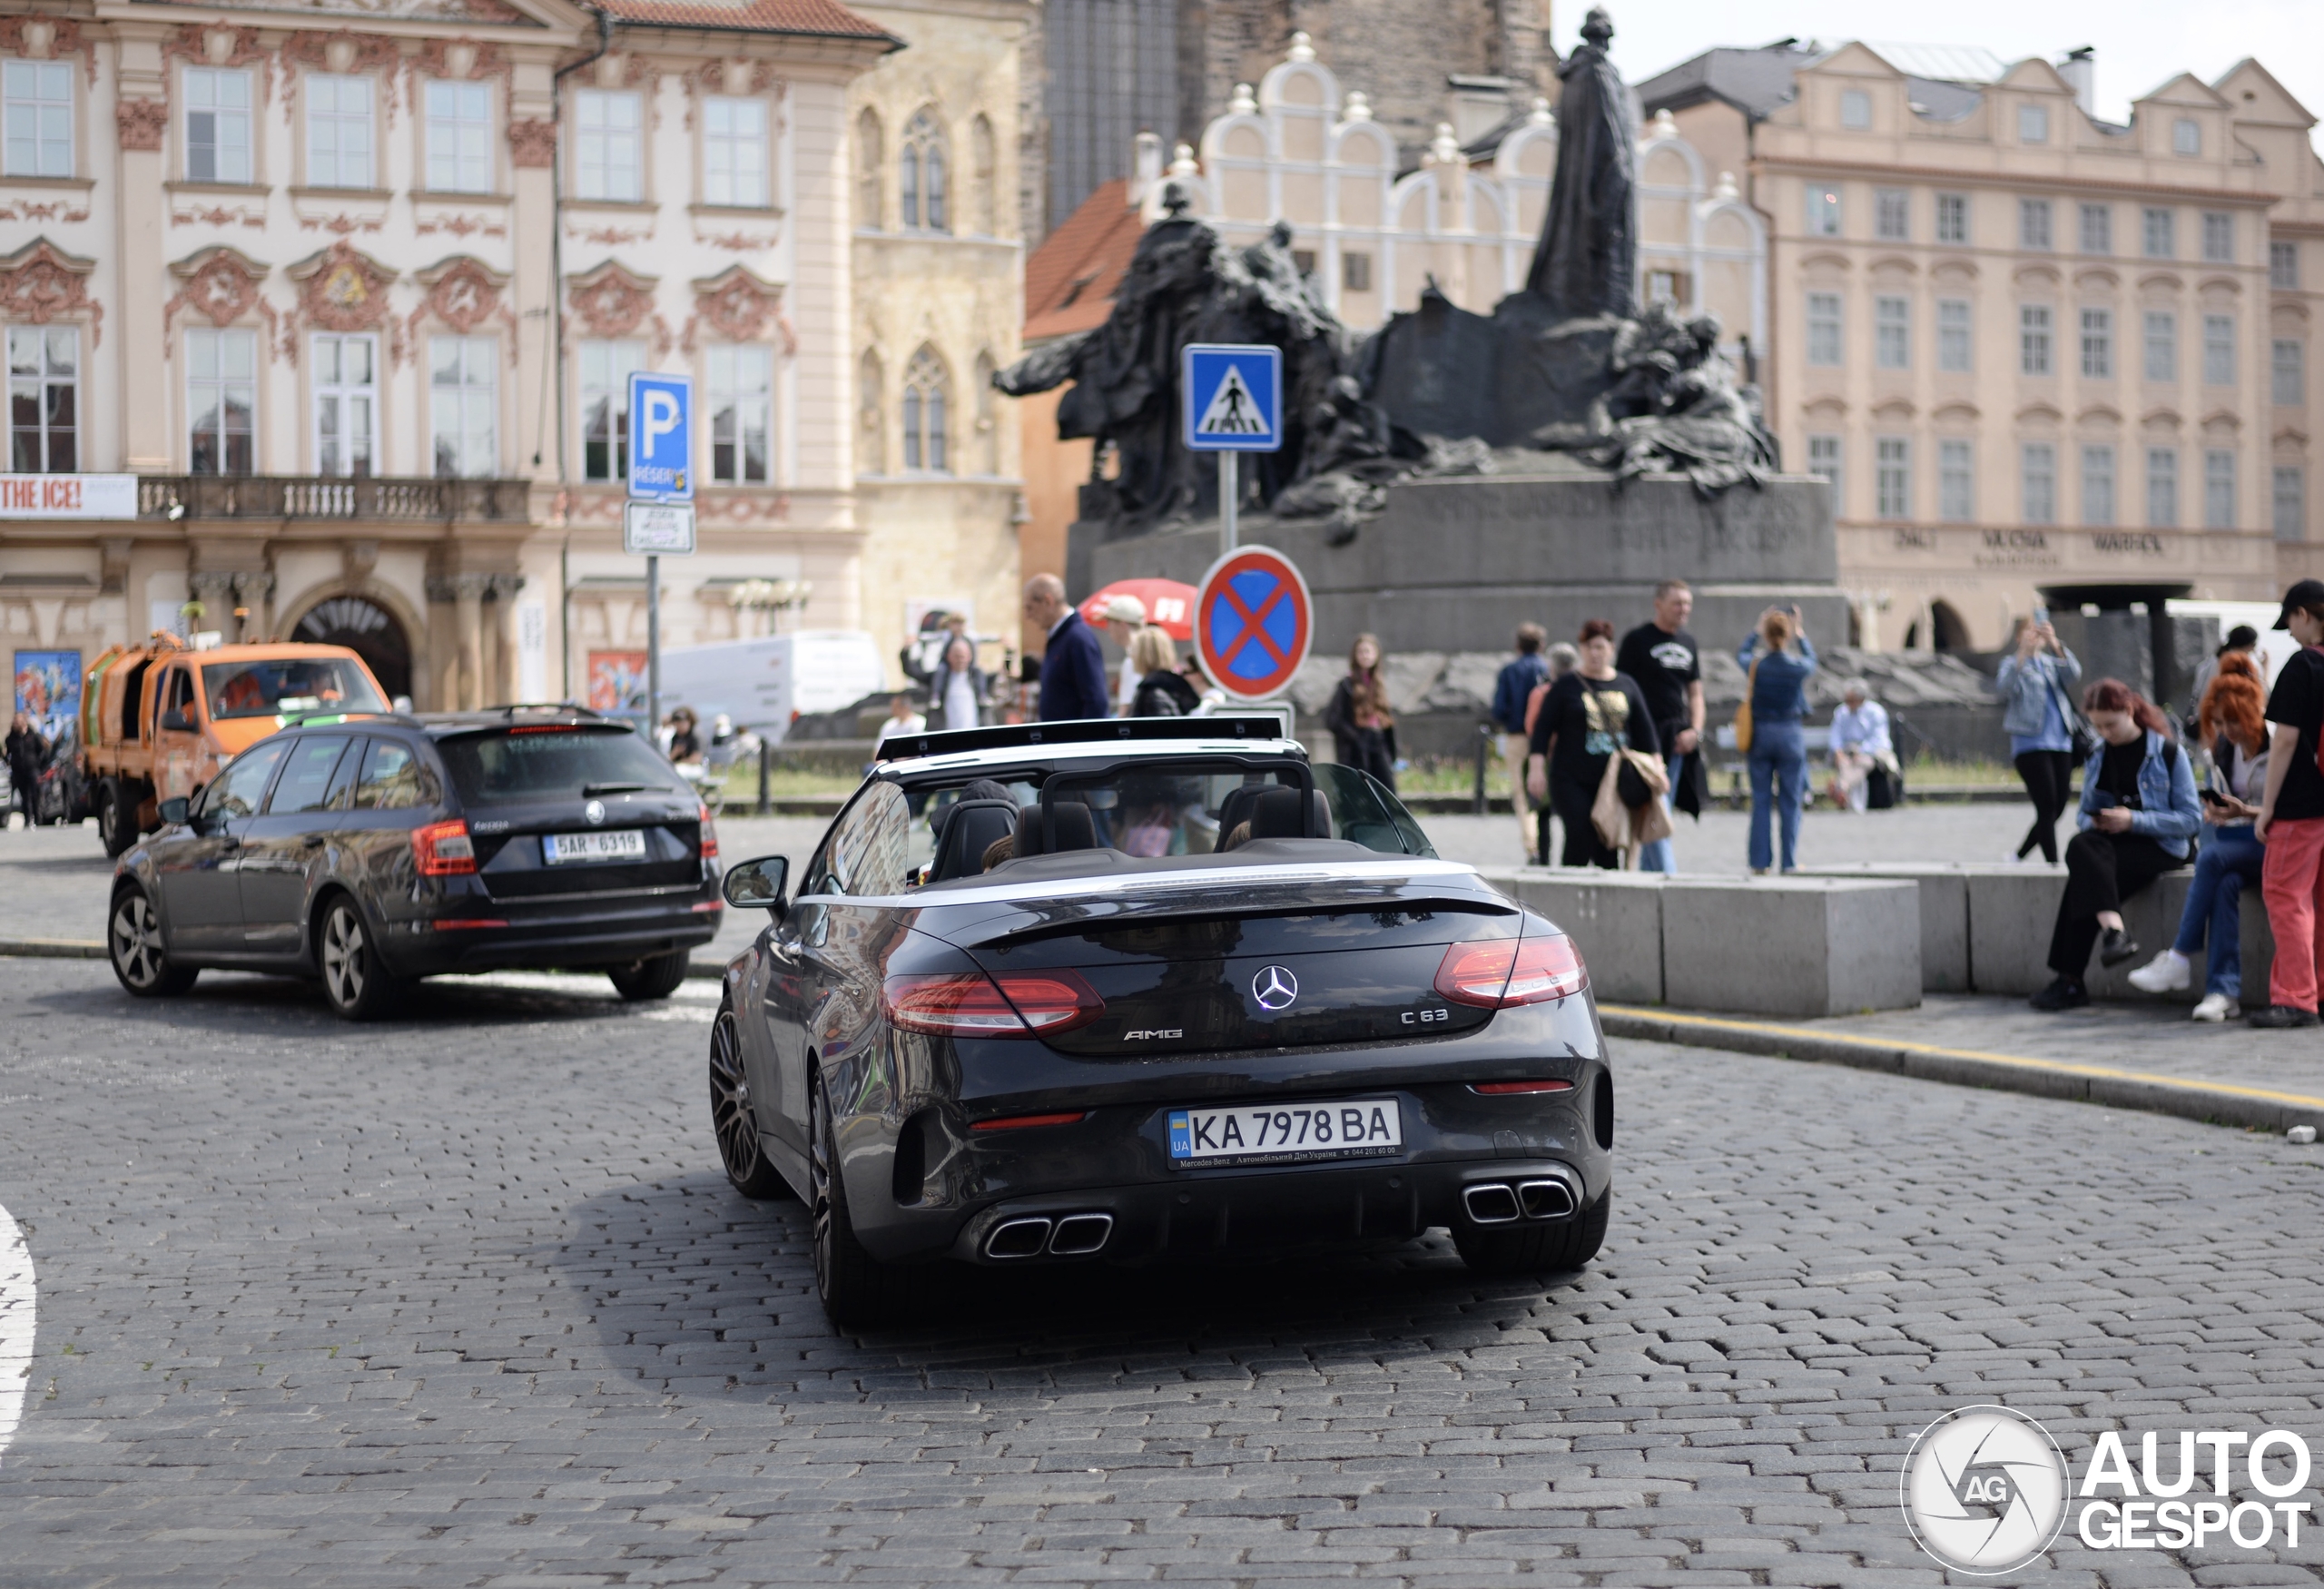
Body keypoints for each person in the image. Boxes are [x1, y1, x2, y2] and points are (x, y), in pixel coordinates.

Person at [2029, 679, 2201, 1011]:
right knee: (2083, 848)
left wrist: (2133, 820)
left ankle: (2070, 982)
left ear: (2129, 710)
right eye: (2097, 726)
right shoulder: (2097, 753)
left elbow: (2190, 819)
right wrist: (2100, 822)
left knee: (2083, 868)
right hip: (2114, 846)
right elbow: (2082, 816)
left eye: (2110, 724)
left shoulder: (2168, 752)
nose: (2104, 732)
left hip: (2163, 847)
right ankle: (2113, 933)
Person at [2129, 654, 2269, 1020]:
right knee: (2224, 885)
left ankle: (2179, 956)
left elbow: (2297, 806)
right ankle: (2223, 992)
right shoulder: (2224, 748)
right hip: (2241, 844)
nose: (2227, 729)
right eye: (2219, 722)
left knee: (2210, 859)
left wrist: (2247, 811)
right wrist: (2220, 811)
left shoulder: (2279, 742)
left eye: (2234, 720)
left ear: (2254, 711)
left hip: (2280, 842)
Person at [1526, 619, 1660, 869]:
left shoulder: (1626, 684)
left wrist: (1657, 767)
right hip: (1570, 777)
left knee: (1607, 844)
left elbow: (1645, 730)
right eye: (1588, 647)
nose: (1595, 653)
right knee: (1579, 831)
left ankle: (1607, 900)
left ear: (1611, 648)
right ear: (1581, 649)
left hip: (1612, 780)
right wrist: (1536, 769)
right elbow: (1542, 730)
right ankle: (1568, 891)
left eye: (1600, 647)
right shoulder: (1566, 686)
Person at [2251, 579, 2324, 1028]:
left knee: (2286, 896)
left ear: (2303, 613)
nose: (2292, 635)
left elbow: (2285, 742)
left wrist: (2266, 806)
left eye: (2291, 624)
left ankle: (2297, 998)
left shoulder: (2302, 667)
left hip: (2300, 806)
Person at [1616, 581, 1704, 873]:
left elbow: (1695, 693)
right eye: (1677, 603)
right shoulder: (1637, 640)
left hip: (1676, 738)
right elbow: (1621, 690)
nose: (1684, 609)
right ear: (1659, 604)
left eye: (1688, 603)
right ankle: (1669, 878)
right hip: (1643, 738)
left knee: (1659, 810)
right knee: (1655, 811)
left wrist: (1696, 730)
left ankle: (1650, 878)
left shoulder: (1689, 642)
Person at [1736, 606, 1817, 873]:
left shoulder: (1757, 666)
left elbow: (1741, 655)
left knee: (1760, 801)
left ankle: (1759, 862)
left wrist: (1755, 632)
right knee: (1790, 801)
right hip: (1790, 734)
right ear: (1787, 635)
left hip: (1760, 734)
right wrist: (1801, 634)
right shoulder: (1796, 667)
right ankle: (1789, 861)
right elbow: (1812, 660)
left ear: (1768, 635)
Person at [1996, 614, 2083, 863]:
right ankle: (2053, 863)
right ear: (2018, 636)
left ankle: (2019, 854)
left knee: (2058, 807)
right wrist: (2022, 654)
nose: (2035, 635)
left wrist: (2055, 643)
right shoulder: (2012, 664)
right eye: (2029, 631)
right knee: (2046, 805)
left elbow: (2074, 674)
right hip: (2030, 744)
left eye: (2039, 631)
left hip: (2062, 742)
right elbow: (2004, 688)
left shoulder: (2051, 663)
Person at [1491, 624, 1551, 864]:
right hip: (1541, 738)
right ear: (1541, 645)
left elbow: (1498, 709)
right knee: (1541, 790)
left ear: (1517, 645)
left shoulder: (1508, 670)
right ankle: (1544, 844)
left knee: (1521, 793)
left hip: (1516, 736)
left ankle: (1532, 847)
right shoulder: (1546, 668)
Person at [1023, 574, 1108, 722]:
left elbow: (1096, 701)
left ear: (1047, 601)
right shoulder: (1062, 637)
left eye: (1030, 608)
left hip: (1073, 743)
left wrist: (1084, 743)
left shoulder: (1078, 638)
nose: (1028, 615)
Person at [1525, 642, 1581, 864]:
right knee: (1572, 815)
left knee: (1543, 812)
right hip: (1573, 758)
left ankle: (1545, 858)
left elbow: (1531, 726)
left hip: (1548, 758)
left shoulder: (1541, 693)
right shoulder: (1580, 690)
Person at [1323, 634, 1398, 790]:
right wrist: (1354, 737)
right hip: (1357, 745)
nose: (1365, 656)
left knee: (1387, 791)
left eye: (1368, 651)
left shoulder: (1378, 683)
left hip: (1378, 742)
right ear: (1354, 656)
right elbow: (1333, 719)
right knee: (1360, 791)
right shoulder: (1347, 685)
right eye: (1361, 652)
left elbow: (1386, 719)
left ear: (1376, 655)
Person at [1827, 683, 1891, 814]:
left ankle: (1842, 787)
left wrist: (1861, 751)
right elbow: (1835, 735)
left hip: (1867, 751)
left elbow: (1879, 739)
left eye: (1851, 701)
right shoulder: (1841, 712)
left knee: (1861, 763)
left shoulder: (1875, 712)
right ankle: (1845, 789)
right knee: (1844, 762)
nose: (1848, 704)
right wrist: (1838, 751)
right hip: (1845, 750)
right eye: (1846, 700)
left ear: (1861, 699)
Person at [2185, 625, 2260, 736]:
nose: (2254, 649)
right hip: (2218, 723)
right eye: (2253, 645)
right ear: (2246, 644)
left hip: (2206, 718)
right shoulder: (2234, 663)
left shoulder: (2213, 660)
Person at [1129, 626, 1200, 716]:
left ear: (1142, 655)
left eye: (1134, 651)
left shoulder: (1153, 691)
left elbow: (1161, 728)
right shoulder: (1170, 684)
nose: (1131, 656)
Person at [1102, 593, 1148, 714]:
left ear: (1122, 625)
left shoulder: (1132, 662)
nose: (1107, 628)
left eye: (1109, 622)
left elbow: (1125, 712)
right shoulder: (1150, 655)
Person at [931, 633, 985, 732]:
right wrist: (906, 651)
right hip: (948, 735)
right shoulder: (941, 678)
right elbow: (913, 671)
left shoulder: (977, 677)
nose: (960, 660)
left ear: (970, 657)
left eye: (963, 656)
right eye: (957, 657)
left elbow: (1002, 675)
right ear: (948, 657)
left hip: (974, 734)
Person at [5, 712, 45, 827]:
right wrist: (9, 763)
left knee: (35, 794)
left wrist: (38, 765)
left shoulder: (33, 736)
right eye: (14, 722)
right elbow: (8, 754)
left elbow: (42, 751)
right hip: (18, 771)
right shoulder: (11, 738)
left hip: (33, 770)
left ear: (23, 722)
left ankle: (38, 818)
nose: (15, 724)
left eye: (17, 722)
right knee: (24, 796)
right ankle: (27, 819)